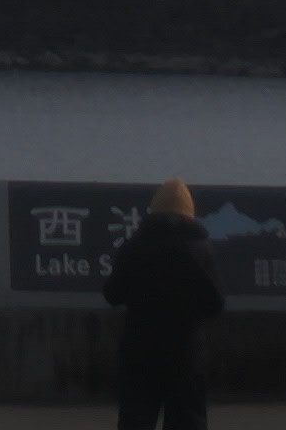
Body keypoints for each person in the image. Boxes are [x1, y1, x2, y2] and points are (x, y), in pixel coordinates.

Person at [103, 178, 224, 430]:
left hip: (139, 350)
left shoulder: (134, 247)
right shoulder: (200, 250)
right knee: (187, 420)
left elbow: (113, 294)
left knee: (136, 420)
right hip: (186, 353)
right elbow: (215, 303)